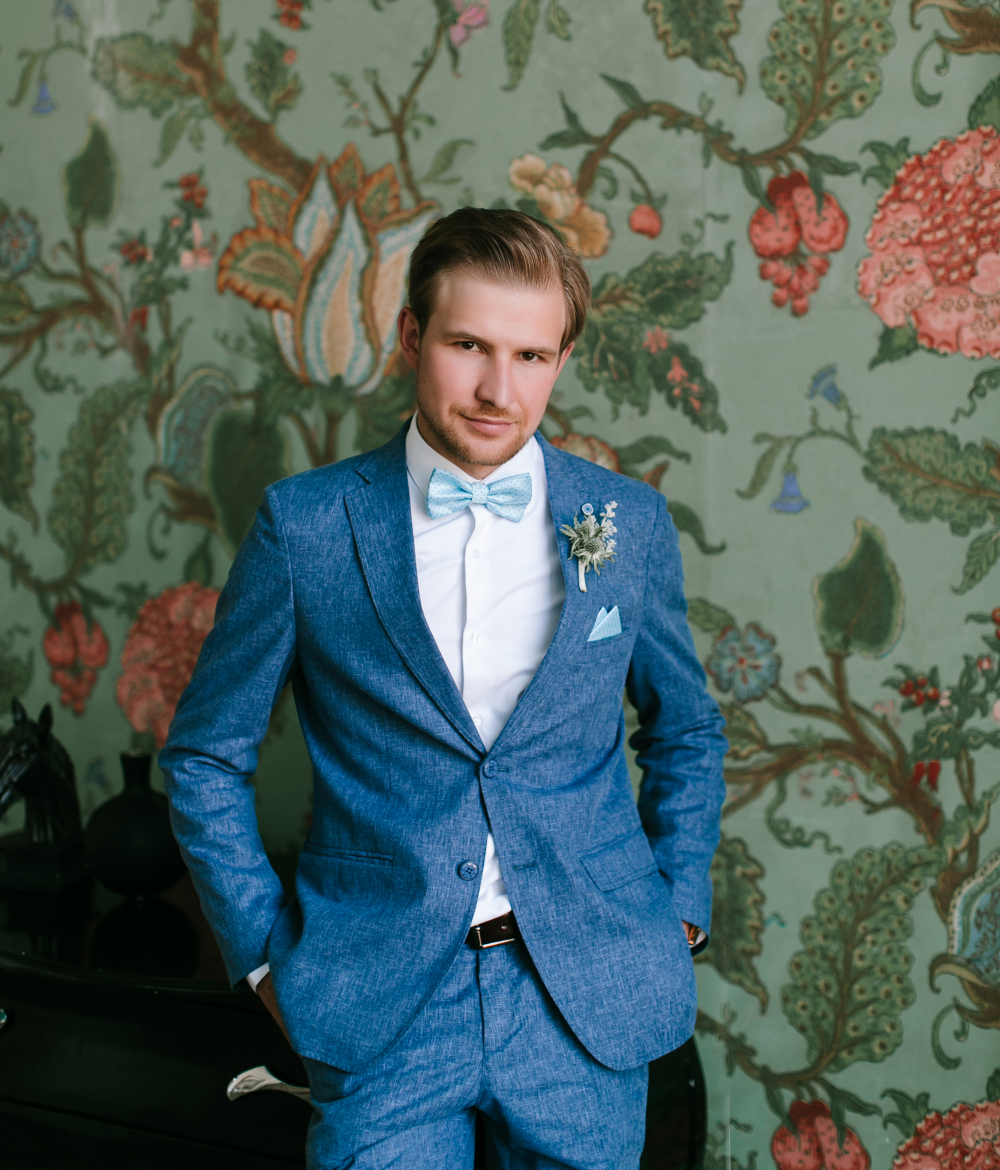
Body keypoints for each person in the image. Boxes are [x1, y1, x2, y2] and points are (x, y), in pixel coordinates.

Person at [160, 207, 727, 1170]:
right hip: (380, 1000)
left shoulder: (626, 523)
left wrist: (676, 910)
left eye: (531, 355)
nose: (499, 389)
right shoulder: (307, 525)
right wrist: (262, 957)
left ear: (562, 359)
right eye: (469, 345)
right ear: (411, 336)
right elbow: (204, 756)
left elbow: (688, 730)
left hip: (584, 990)